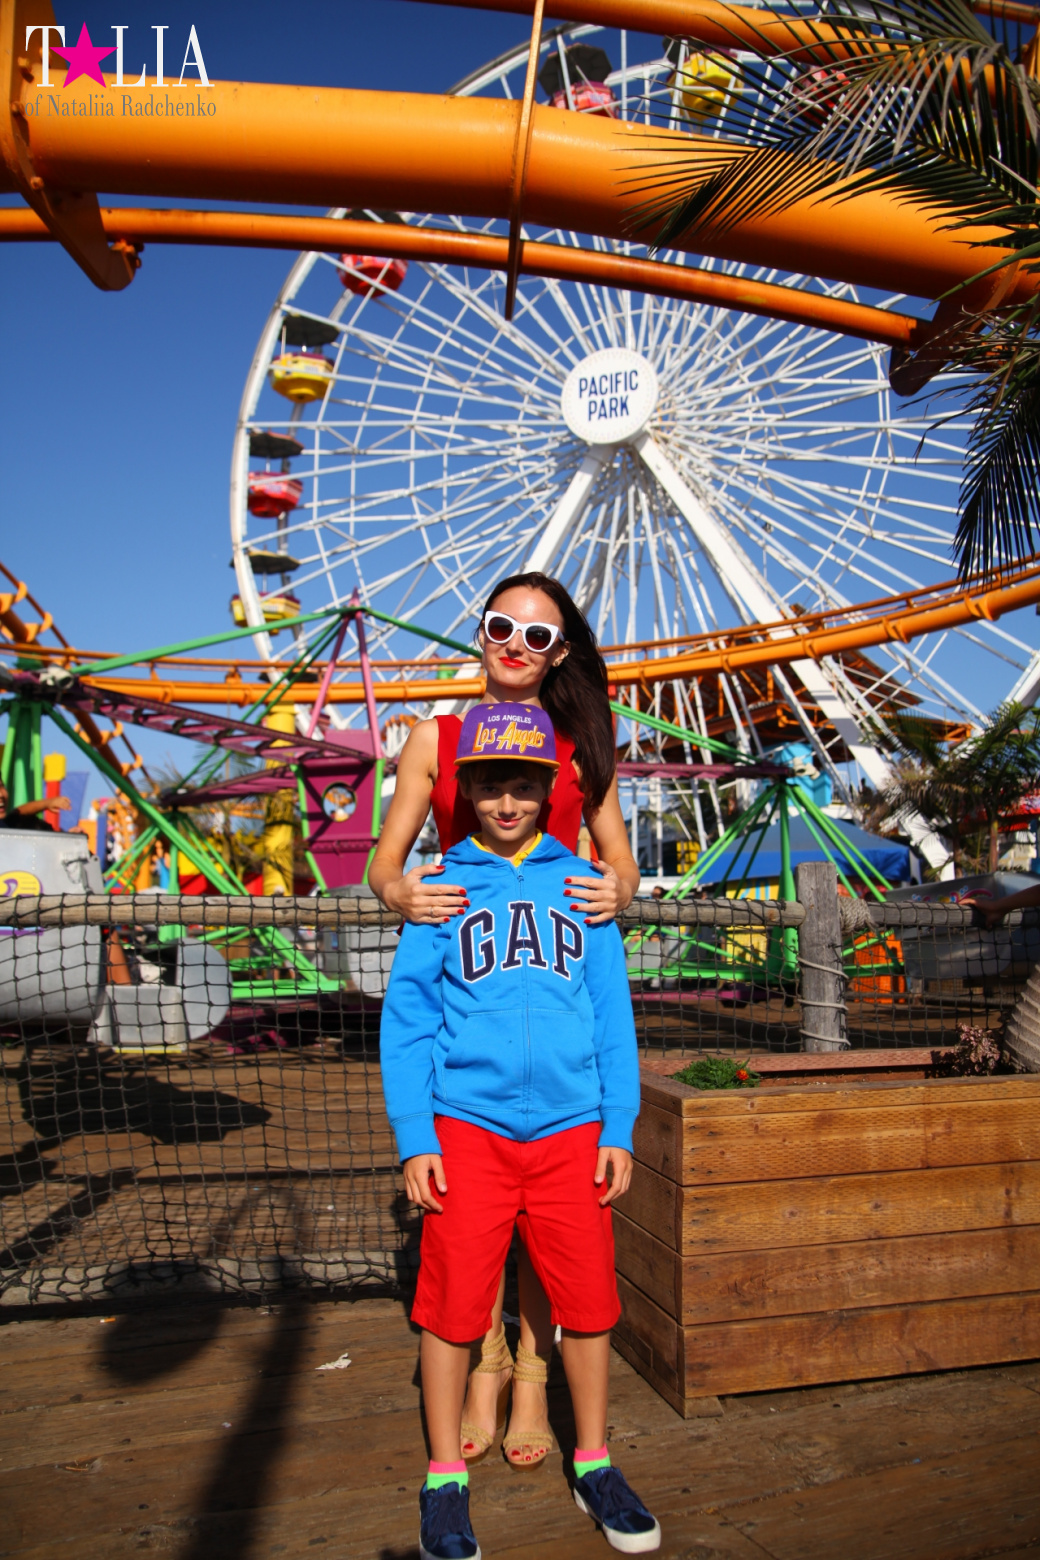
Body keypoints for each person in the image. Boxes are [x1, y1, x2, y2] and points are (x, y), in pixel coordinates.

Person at [369, 572, 640, 1468]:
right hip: (470, 954)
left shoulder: (578, 743)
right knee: (474, 1227)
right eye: (500, 627)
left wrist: (615, 891)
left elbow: (619, 866)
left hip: (553, 974)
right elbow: (387, 867)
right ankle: (480, 1368)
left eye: (537, 637)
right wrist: (408, 894)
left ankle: (530, 1376)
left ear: (560, 652)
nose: (515, 647)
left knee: (547, 1230)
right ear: (479, 631)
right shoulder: (435, 739)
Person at [380, 704, 660, 1560]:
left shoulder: (582, 889)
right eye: (491, 785)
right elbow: (408, 1023)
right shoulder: (445, 889)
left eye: (523, 786)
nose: (507, 802)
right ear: (466, 792)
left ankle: (596, 1459)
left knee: (588, 1304)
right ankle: (443, 1479)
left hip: (574, 1129)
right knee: (452, 1307)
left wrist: (619, 1121)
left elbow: (612, 1016)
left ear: (549, 792)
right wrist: (415, 1135)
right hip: (468, 1129)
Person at [0, 782, 70, 830]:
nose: (1, 795)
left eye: (1, 786)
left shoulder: (7, 827)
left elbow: (16, 814)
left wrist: (47, 803)